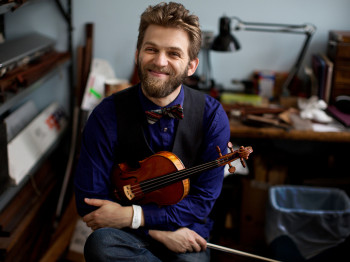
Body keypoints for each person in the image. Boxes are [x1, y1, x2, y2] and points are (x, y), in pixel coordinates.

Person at [74, 2, 230, 261]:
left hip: (186, 231)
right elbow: (89, 202)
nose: (159, 61)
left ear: (191, 66)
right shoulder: (106, 114)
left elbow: (202, 202)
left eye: (173, 53)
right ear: (137, 54)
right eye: (151, 49)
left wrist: (132, 215)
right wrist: (155, 230)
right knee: (100, 245)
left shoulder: (212, 116)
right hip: (126, 234)